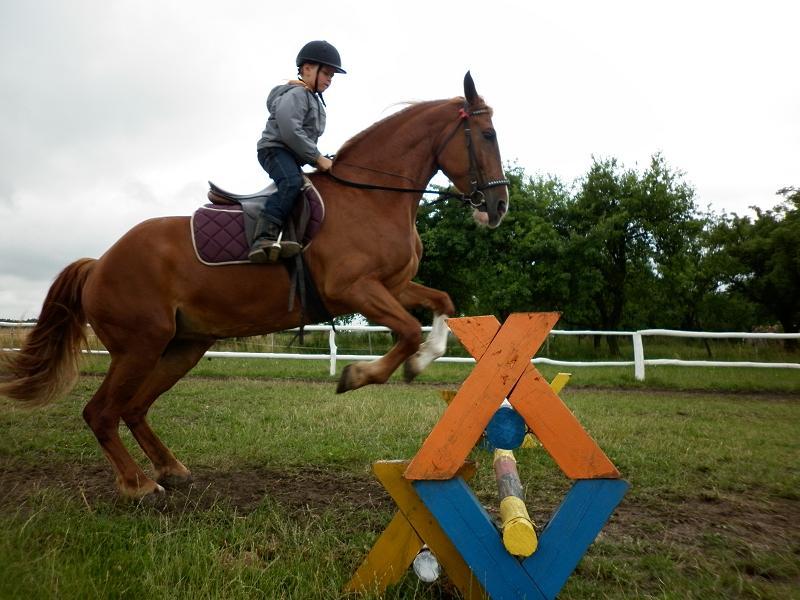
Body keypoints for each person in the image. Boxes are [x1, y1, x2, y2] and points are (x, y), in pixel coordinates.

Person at [250, 40, 346, 263]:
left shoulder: (311, 99)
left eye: (332, 76)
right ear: (308, 69)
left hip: (290, 153)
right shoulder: (297, 94)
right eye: (327, 74)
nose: (329, 80)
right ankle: (263, 238)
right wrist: (316, 158)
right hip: (274, 150)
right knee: (292, 183)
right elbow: (289, 130)